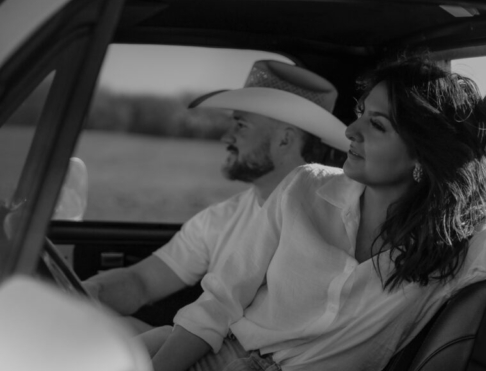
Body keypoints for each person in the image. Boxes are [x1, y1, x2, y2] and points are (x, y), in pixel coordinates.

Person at [141, 52, 486, 371]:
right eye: (360, 115)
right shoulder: (304, 187)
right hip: (212, 359)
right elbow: (219, 302)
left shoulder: (461, 243)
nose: (351, 131)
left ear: (422, 157)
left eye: (378, 125)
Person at [82, 61, 349, 332]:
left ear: (285, 140)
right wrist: (87, 293)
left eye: (241, 125)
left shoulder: (341, 220)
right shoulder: (219, 219)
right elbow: (142, 282)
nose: (226, 137)